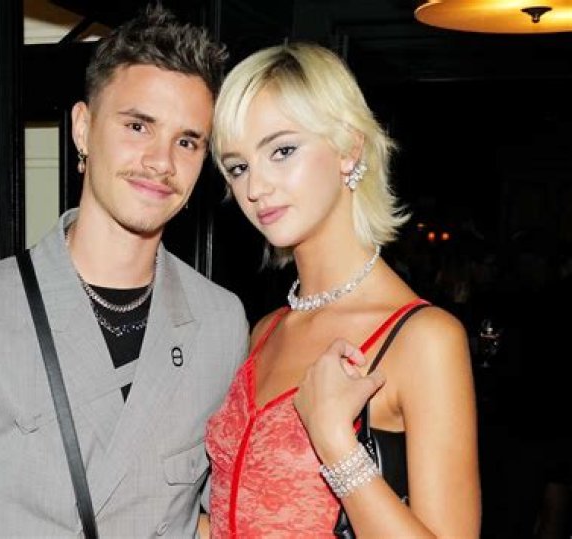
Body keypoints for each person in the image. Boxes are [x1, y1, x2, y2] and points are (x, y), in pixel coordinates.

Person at [0, 5, 248, 536]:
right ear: (83, 128)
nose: (161, 161)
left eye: (187, 141)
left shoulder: (220, 323)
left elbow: (223, 514)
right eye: (138, 126)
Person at [205, 43, 481, 537]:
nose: (255, 188)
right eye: (238, 166)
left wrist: (335, 441)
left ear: (349, 148)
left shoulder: (424, 339)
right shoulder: (265, 331)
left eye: (282, 151)